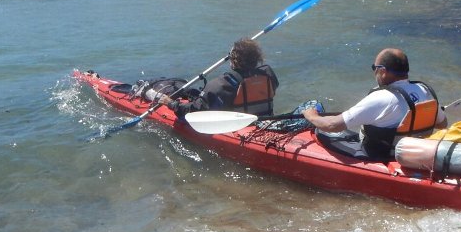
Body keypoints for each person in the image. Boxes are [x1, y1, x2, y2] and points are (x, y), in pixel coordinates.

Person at [302, 48, 445, 160]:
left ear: (382, 71)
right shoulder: (424, 91)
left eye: (374, 67)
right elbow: (442, 124)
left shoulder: (382, 97)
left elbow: (331, 126)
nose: (374, 71)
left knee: (320, 131)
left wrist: (311, 116)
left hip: (379, 155)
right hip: (415, 153)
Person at [158, 38, 279, 117]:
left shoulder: (223, 85)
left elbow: (196, 111)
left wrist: (171, 104)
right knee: (194, 93)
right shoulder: (268, 74)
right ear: (257, 58)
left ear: (233, 60)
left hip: (239, 128)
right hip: (265, 122)